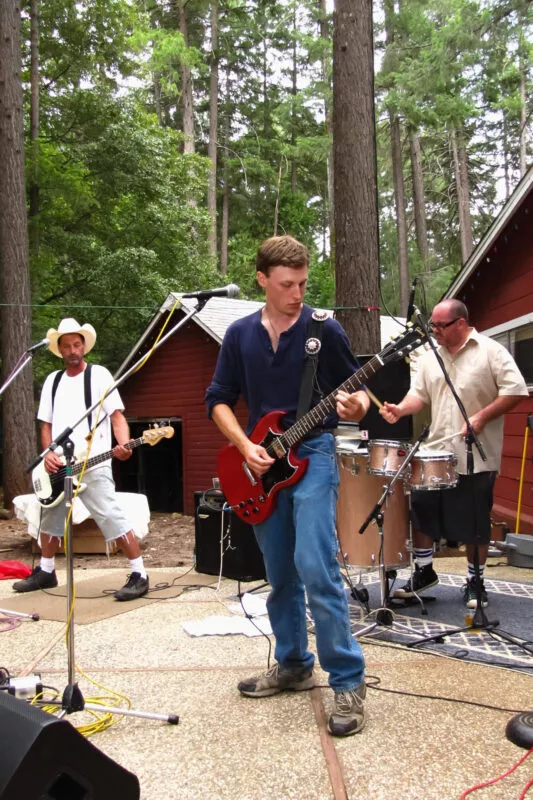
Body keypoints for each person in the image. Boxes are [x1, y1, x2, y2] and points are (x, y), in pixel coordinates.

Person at [205, 235, 370, 737]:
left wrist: (357, 407)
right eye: (286, 284)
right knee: (280, 572)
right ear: (262, 280)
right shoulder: (237, 335)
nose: (297, 293)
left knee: (315, 565)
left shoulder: (325, 330)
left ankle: (347, 680)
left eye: (302, 283)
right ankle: (295, 664)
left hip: (315, 453)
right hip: (260, 463)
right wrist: (242, 446)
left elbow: (357, 392)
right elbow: (217, 398)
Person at [379, 299, 528, 608]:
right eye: (432, 325)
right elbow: (418, 396)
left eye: (440, 326)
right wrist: (399, 409)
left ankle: (475, 581)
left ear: (461, 323)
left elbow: (515, 390)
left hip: (476, 453)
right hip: (435, 451)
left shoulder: (490, 351)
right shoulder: (430, 357)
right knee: (421, 512)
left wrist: (482, 417)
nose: (434, 332)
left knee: (474, 519)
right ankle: (424, 572)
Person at [13, 318, 149, 601]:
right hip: (60, 465)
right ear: (59, 350)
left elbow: (117, 416)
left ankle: (140, 574)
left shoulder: (100, 375)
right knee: (50, 516)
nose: (73, 350)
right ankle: (47, 571)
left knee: (110, 515)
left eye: (77, 345)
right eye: (67, 346)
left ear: (84, 346)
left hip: (94, 461)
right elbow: (46, 425)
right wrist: (49, 452)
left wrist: (124, 442)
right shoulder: (53, 381)